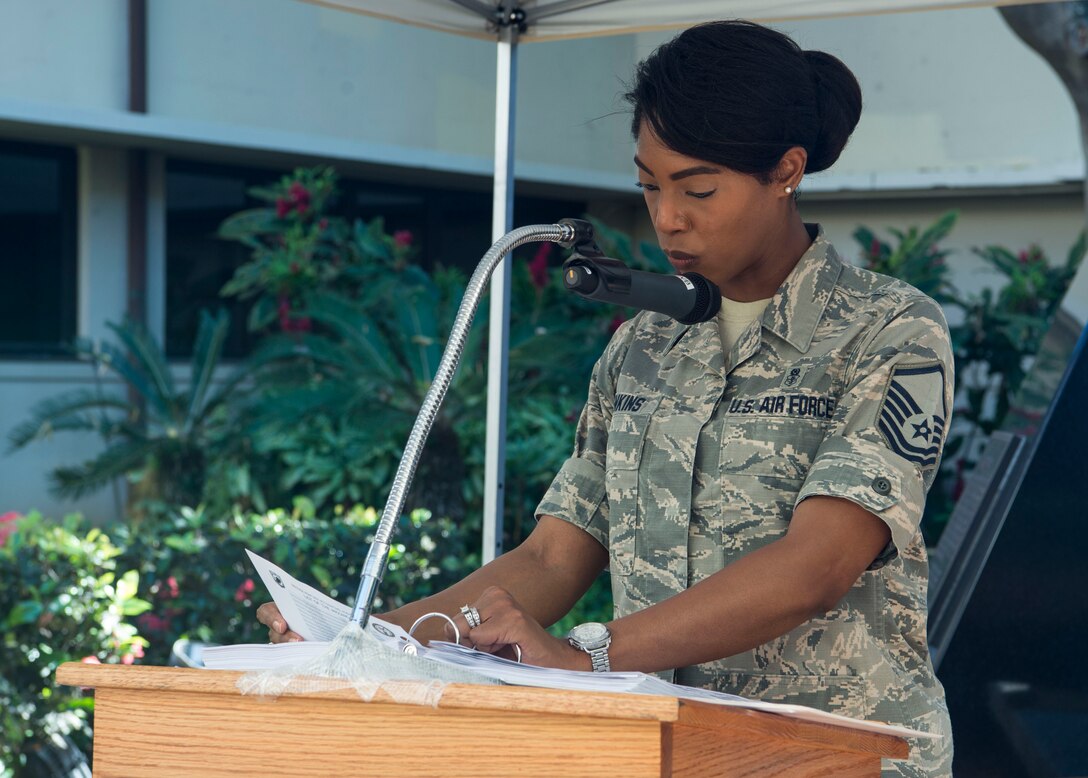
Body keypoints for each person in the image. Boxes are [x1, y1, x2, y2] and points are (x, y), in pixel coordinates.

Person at [258, 20, 954, 776]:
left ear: (786, 171)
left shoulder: (888, 329)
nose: (668, 218)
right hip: (668, 751)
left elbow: (815, 565)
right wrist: (363, 639)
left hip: (838, 755)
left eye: (698, 188)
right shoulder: (643, 346)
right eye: (649, 186)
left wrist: (589, 655)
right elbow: (556, 553)